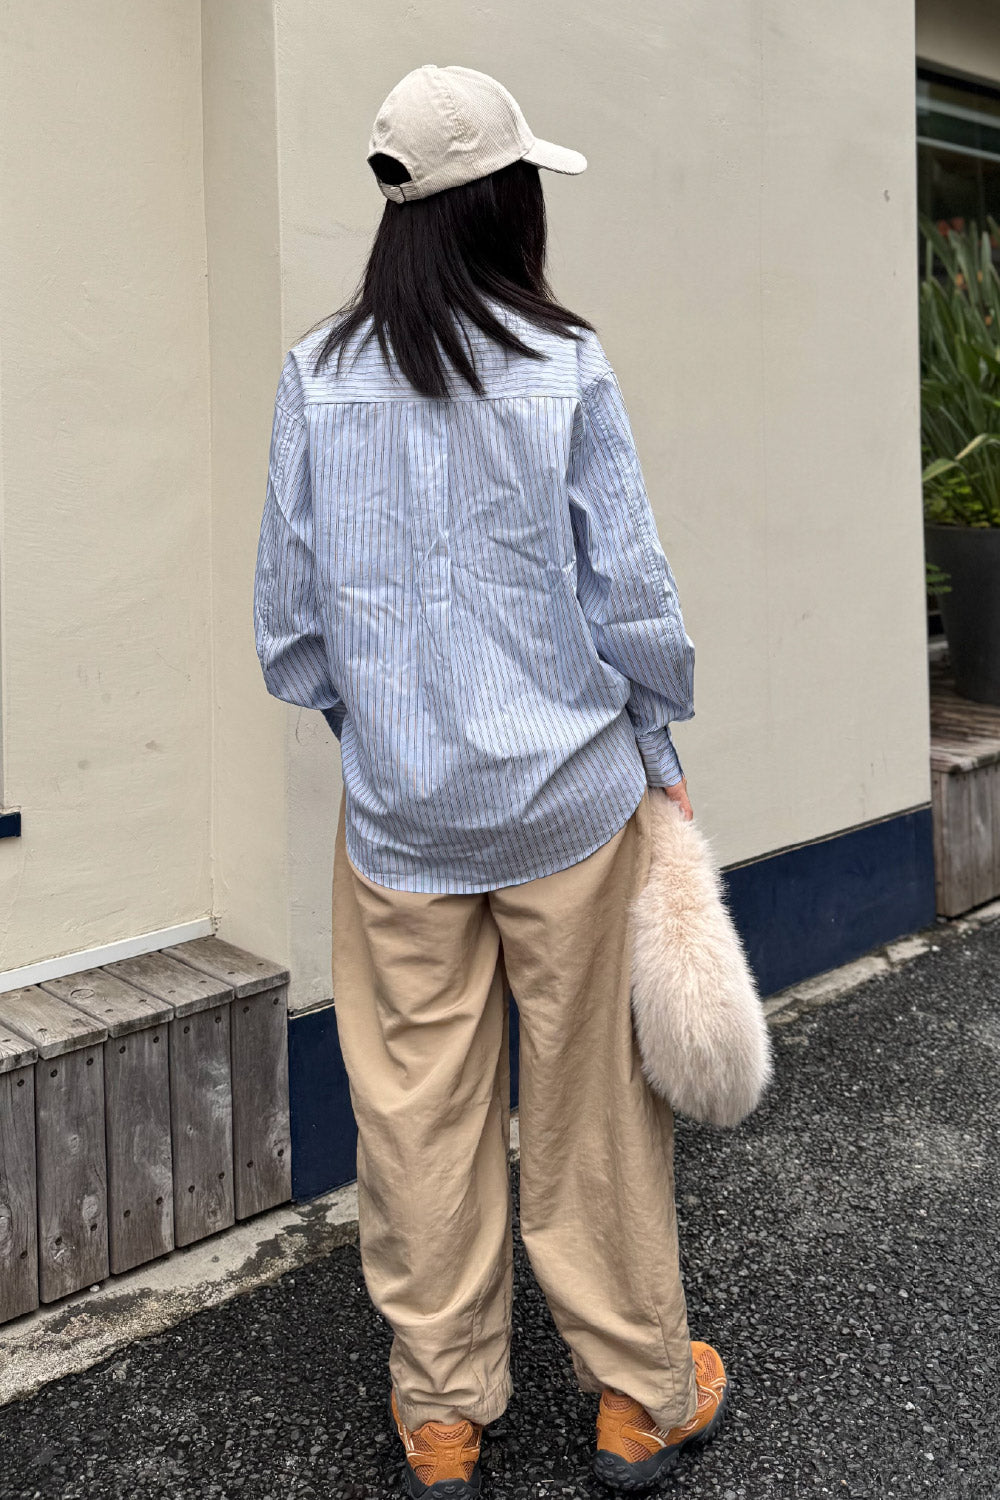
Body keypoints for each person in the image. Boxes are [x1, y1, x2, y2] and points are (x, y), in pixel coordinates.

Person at [253, 62, 728, 1500]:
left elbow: (290, 628)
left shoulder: (317, 376)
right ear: (506, 202)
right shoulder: (563, 363)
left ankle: (444, 1414)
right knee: (594, 1105)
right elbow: (632, 595)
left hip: (402, 823)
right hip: (569, 803)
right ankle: (639, 1396)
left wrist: (385, 737)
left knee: (415, 1113)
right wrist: (657, 746)